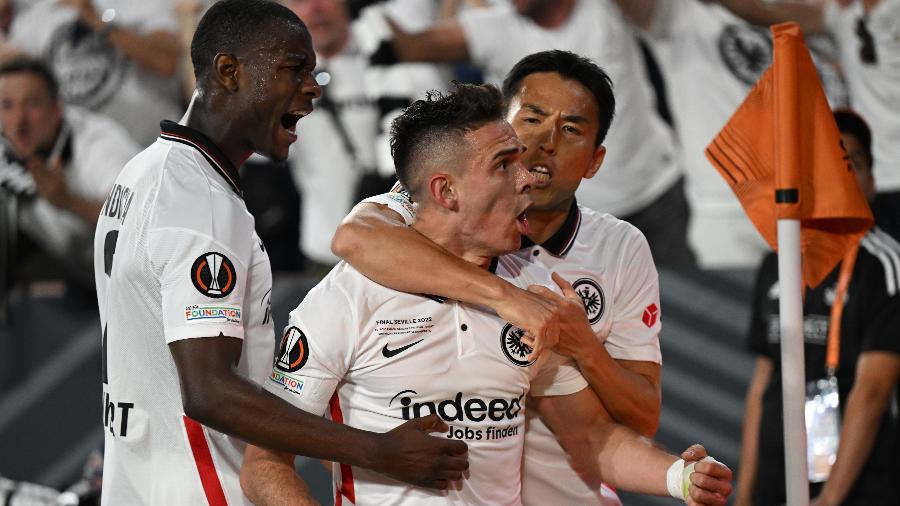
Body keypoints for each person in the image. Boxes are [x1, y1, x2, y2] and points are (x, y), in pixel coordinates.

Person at [241, 82, 732, 506]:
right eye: (504, 164)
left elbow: (589, 436)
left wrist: (679, 477)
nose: (527, 179)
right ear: (446, 191)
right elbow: (265, 464)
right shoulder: (346, 299)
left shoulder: (531, 301)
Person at [93, 2, 469, 504]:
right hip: (202, 490)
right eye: (295, 68)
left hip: (137, 485)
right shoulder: (199, 201)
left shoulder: (142, 170)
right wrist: (380, 451)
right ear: (230, 72)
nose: (313, 87)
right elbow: (210, 392)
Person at [332, 50, 664, 505]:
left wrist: (583, 345)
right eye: (532, 118)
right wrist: (509, 299)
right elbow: (354, 238)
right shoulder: (422, 213)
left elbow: (632, 420)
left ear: (595, 160)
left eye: (571, 129)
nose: (545, 141)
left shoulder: (620, 248)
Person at [381, 0, 694, 267]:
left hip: (658, 200)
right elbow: (409, 45)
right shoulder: (494, 26)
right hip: (557, 219)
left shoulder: (606, 8)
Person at [736, 110, 900, 505]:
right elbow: (763, 382)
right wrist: (744, 494)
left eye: (852, 164)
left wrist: (829, 501)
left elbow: (874, 390)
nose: (839, 176)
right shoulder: (776, 260)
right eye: (827, 165)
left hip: (856, 489)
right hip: (776, 483)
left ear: (872, 183)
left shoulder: (885, 265)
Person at [612, 0, 849, 269]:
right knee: (728, 309)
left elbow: (826, 20)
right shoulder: (680, 10)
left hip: (822, 199)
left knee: (837, 309)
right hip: (727, 212)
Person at [281, 0, 446, 269]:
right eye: (300, 0)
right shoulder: (281, 77)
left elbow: (447, 147)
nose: (315, 8)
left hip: (408, 249)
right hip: (327, 255)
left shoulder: (400, 60)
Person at [0, 57, 138, 286]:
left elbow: (140, 220)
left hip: (142, 281)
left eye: (32, 104)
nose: (19, 120)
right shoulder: (7, 149)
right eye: (6, 106)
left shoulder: (97, 144)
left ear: (56, 110)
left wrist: (68, 201)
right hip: (83, 284)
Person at [7, 0, 184, 146]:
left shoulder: (140, 3)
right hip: (88, 167)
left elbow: (166, 61)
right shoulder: (31, 21)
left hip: (158, 147)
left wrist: (99, 22)